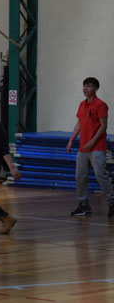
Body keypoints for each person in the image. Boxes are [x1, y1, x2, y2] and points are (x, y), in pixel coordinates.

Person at [66, 77, 114, 217]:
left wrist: (92, 142)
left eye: (89, 86)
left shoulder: (101, 105)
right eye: (84, 86)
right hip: (83, 148)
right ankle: (84, 205)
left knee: (101, 175)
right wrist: (71, 140)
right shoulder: (82, 104)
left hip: (97, 147)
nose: (85, 89)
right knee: (80, 177)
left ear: (96, 89)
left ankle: (112, 201)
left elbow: (103, 126)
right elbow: (79, 123)